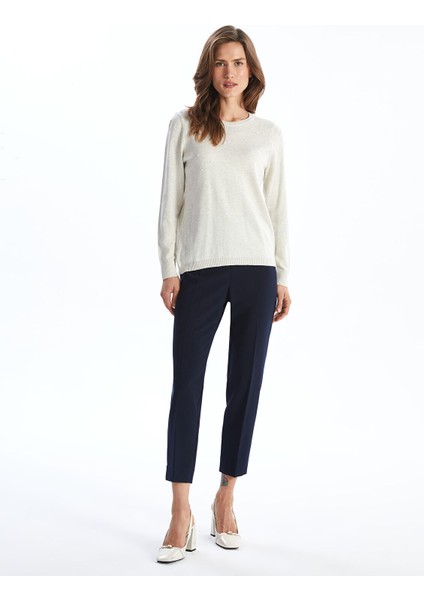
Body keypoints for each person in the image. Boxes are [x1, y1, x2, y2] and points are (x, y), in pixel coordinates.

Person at [156, 25, 291, 563]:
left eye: (238, 62)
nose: (229, 72)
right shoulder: (185, 125)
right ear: (208, 70)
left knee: (245, 386)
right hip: (199, 270)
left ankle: (226, 497)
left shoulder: (268, 135)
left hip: (257, 270)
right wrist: (169, 268)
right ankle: (180, 511)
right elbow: (170, 202)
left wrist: (283, 274)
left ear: (250, 70)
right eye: (220, 63)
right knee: (186, 385)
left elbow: (278, 209)